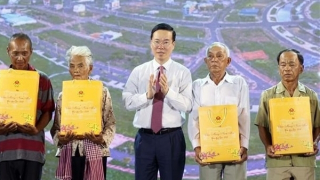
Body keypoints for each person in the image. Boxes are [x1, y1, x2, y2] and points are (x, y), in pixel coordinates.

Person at [122, 23, 192, 180]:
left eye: (166, 42)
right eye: (157, 41)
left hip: (171, 138)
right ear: (150, 43)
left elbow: (187, 105)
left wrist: (168, 92)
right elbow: (127, 101)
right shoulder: (139, 71)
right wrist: (147, 95)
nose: (161, 46)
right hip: (145, 138)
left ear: (173, 45)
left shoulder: (183, 72)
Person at [50, 46, 116, 180]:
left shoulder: (102, 92)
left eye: (80, 66)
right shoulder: (63, 95)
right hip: (69, 151)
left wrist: (102, 139)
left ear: (90, 68)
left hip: (95, 151)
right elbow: (56, 127)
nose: (76, 70)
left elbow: (111, 124)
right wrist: (60, 138)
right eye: (72, 66)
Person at [188, 42, 250, 180]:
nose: (214, 60)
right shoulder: (197, 85)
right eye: (210, 56)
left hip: (234, 147)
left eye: (219, 56)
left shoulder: (239, 83)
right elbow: (194, 119)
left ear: (228, 61)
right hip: (208, 149)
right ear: (206, 61)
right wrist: (197, 147)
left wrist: (244, 146)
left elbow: (244, 116)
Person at [255, 49, 320, 180]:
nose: (287, 69)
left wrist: (313, 142)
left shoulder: (311, 95)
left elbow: (317, 124)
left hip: (304, 160)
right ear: (279, 67)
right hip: (277, 160)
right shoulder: (267, 95)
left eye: (292, 64)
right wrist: (268, 146)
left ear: (301, 68)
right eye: (283, 65)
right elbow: (262, 125)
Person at [0, 33, 55, 180]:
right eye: (15, 53)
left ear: (31, 51)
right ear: (8, 51)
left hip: (32, 150)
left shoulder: (42, 79)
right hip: (4, 150)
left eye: (24, 53)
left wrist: (36, 129)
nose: (20, 58)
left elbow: (48, 110)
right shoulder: (1, 80)